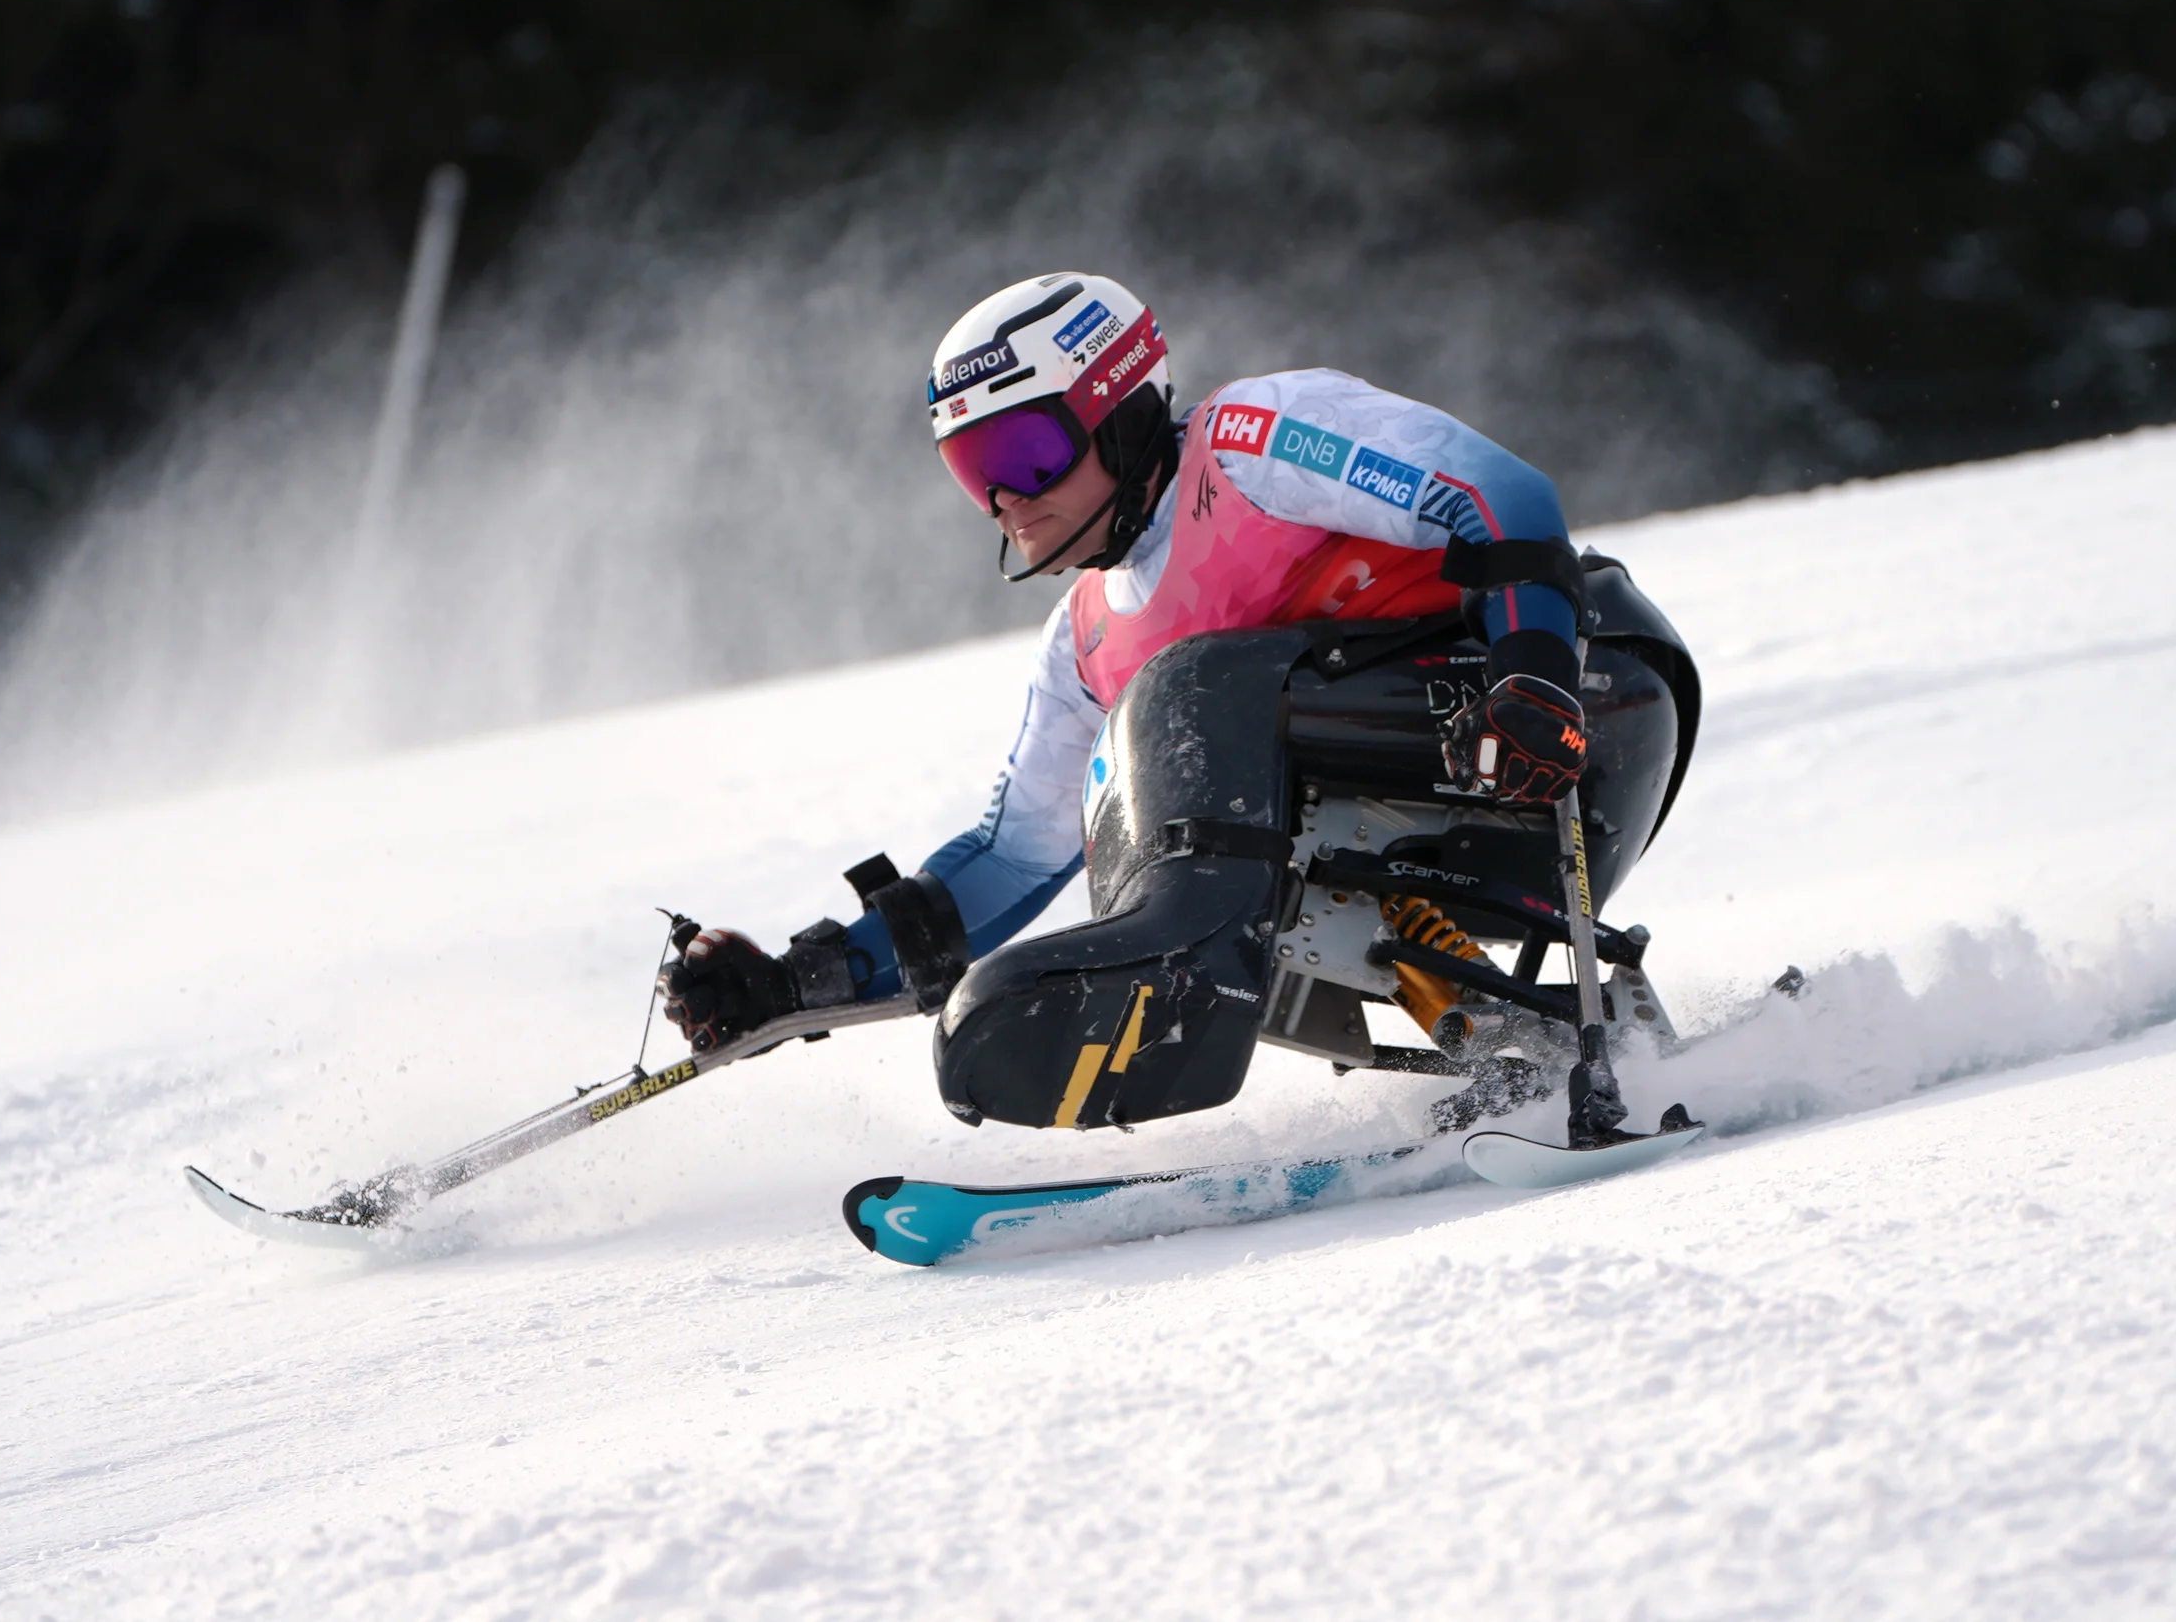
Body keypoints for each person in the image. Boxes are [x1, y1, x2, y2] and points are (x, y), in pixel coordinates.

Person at [659, 271, 1594, 1074]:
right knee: (1148, 800)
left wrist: (1535, 678)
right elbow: (1014, 856)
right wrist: (798, 985)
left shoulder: (1248, 446)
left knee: (1194, 692)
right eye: (972, 471)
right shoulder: (1086, 642)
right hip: (1408, 821)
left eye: (1024, 454)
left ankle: (1164, 980)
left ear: (1118, 412)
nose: (1006, 502)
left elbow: (1499, 498)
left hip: (1561, 717)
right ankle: (1495, 1032)